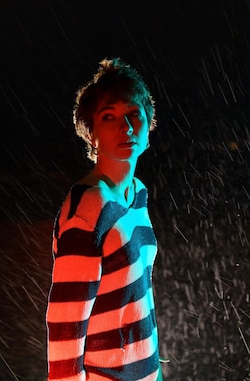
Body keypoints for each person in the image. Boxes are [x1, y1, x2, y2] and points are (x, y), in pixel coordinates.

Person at [46, 58, 163, 380]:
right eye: (108, 117)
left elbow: (142, 296)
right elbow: (65, 320)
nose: (124, 128)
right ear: (91, 134)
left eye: (133, 114)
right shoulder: (88, 207)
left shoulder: (137, 195)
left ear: (148, 123)